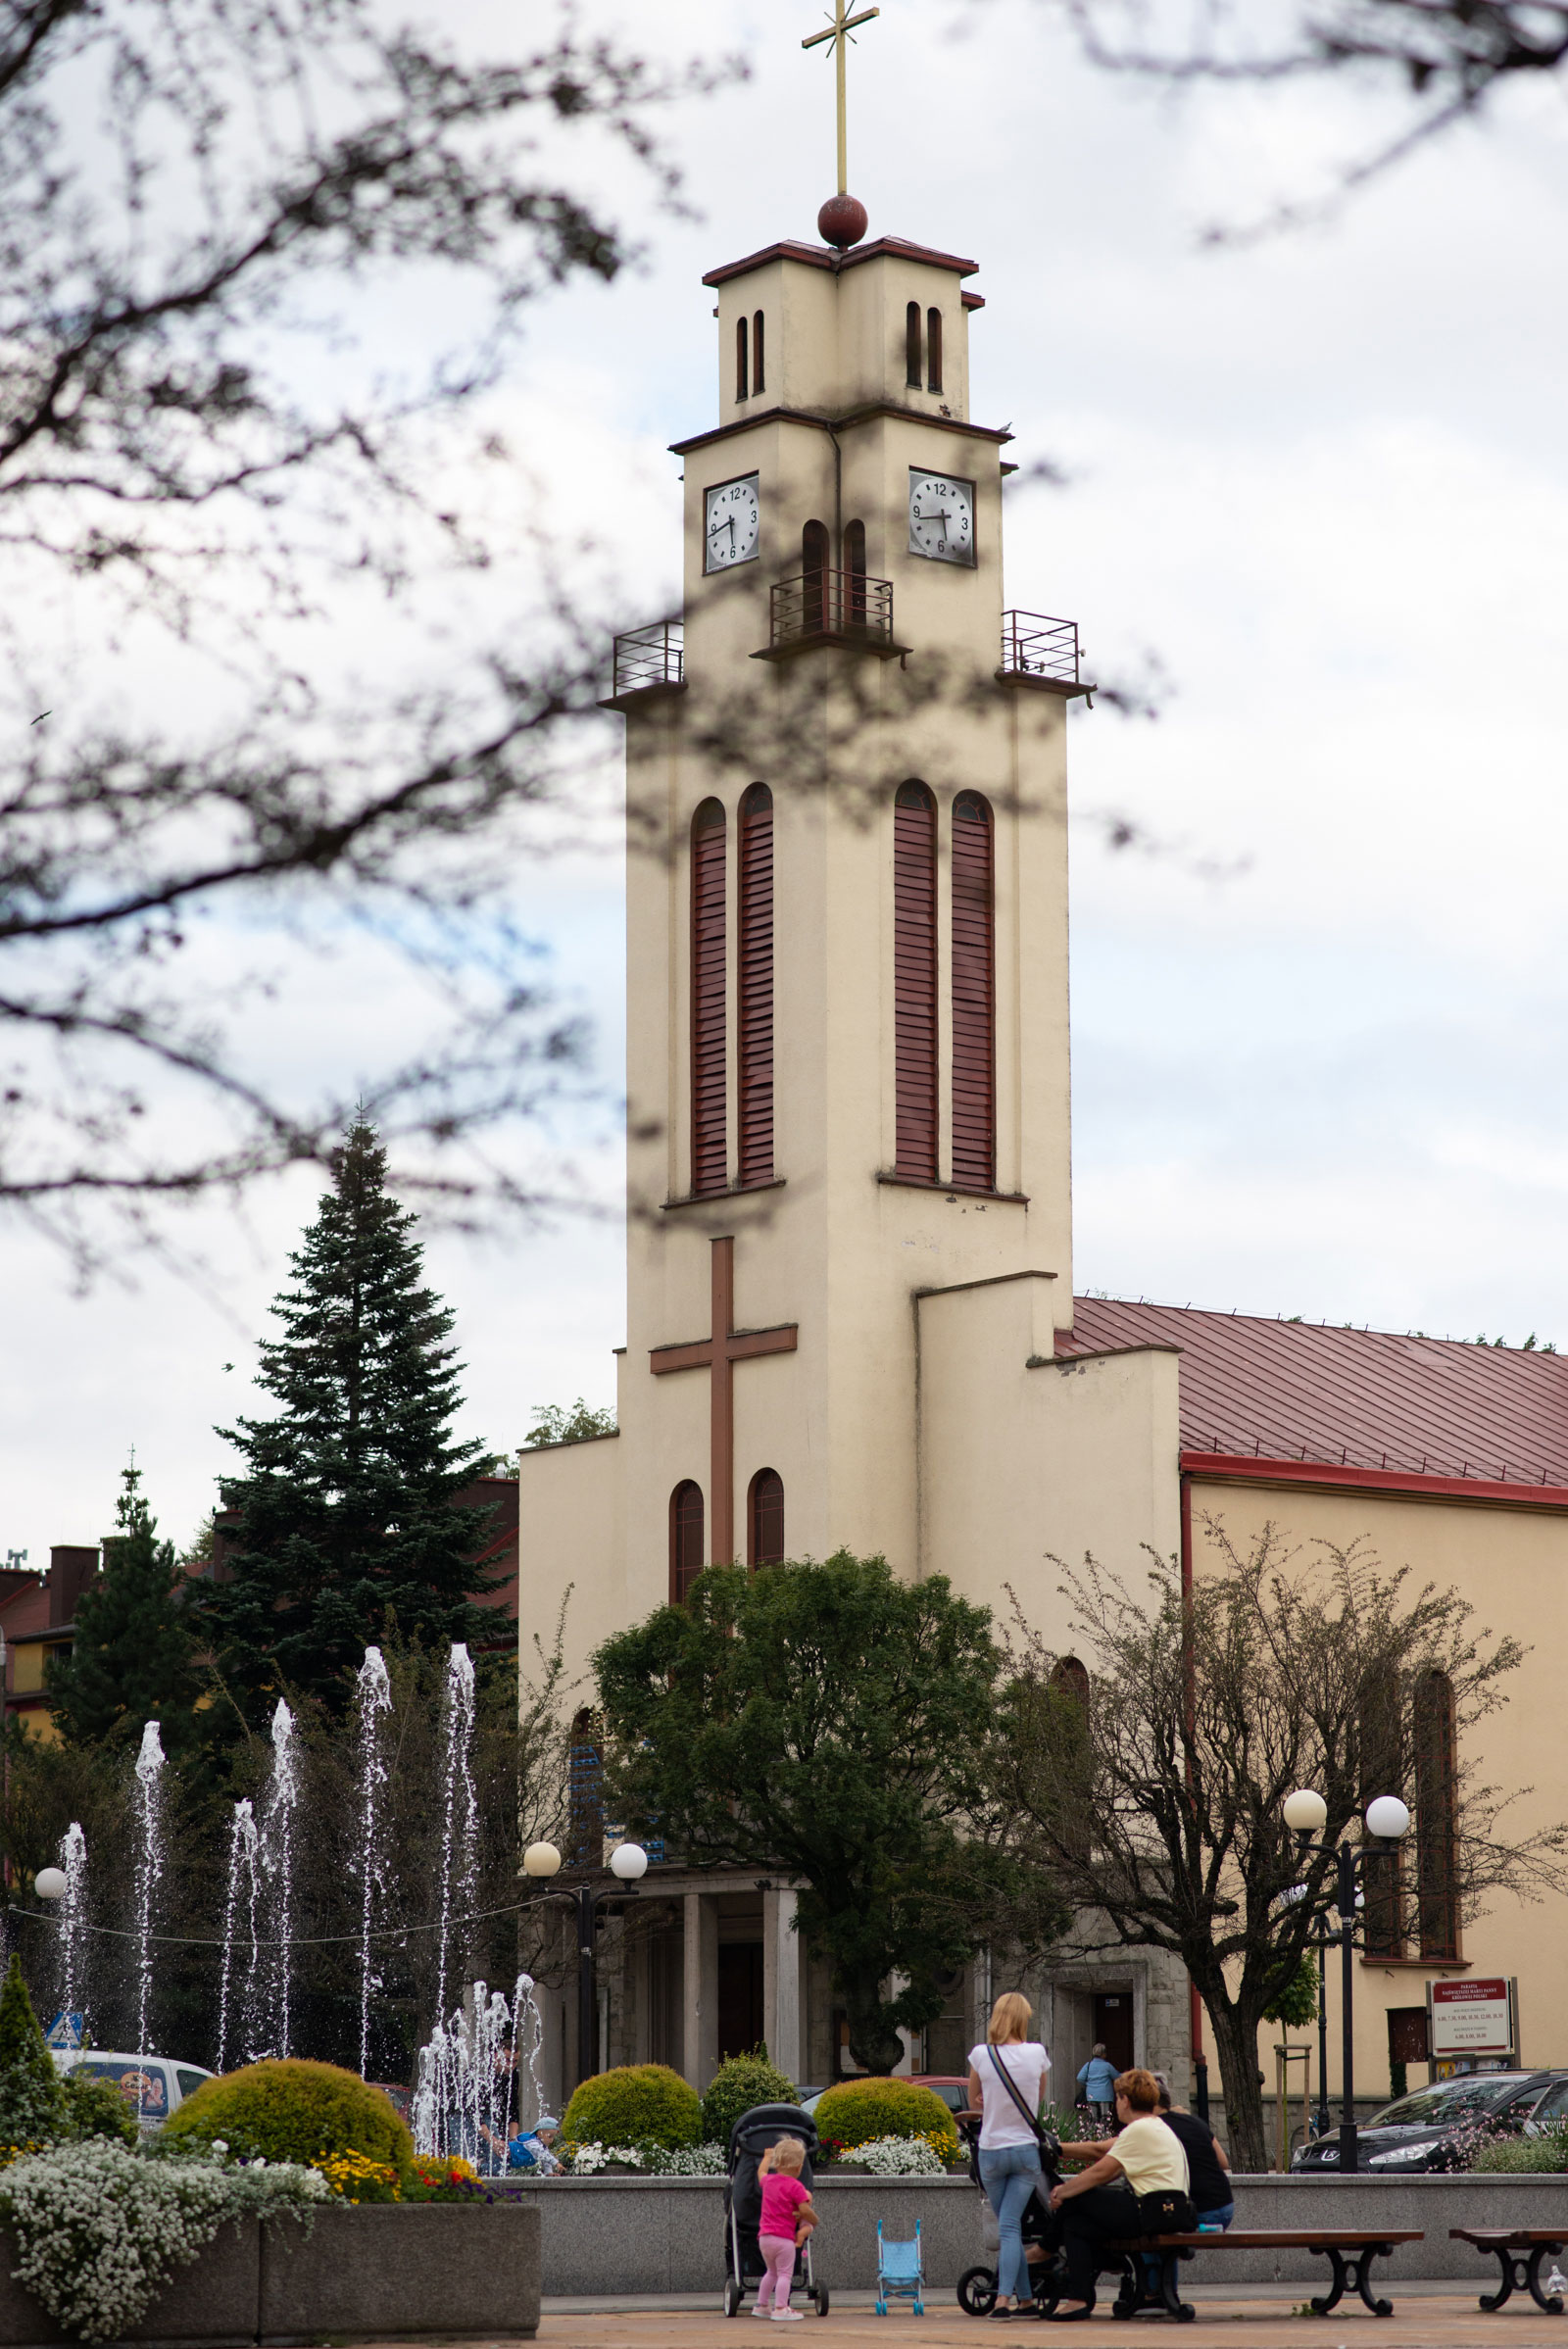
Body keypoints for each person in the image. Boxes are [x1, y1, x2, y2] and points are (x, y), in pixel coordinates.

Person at [1047, 2068, 1189, 2321]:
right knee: (1075, 2225)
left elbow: (1101, 2171)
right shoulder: (1154, 2126)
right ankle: (1078, 2298)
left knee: (1078, 2198)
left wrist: (1063, 2192)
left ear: (1125, 2099)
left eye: (1117, 2098)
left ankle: (1043, 2250)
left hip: (1149, 2211)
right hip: (1168, 2211)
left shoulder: (1139, 2129)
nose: (1115, 2105)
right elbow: (1110, 2168)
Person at [966, 1990, 1053, 2323]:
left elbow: (975, 2099)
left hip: (991, 2150)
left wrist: (992, 2104)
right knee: (1010, 2227)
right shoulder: (1037, 2053)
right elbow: (1038, 2099)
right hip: (1026, 2151)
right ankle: (1026, 2300)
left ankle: (1003, 2300)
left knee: (1008, 2228)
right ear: (1022, 2019)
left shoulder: (981, 2054)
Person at [1154, 2078, 1232, 2229]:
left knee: (1148, 2235)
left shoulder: (1154, 2126)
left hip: (1201, 2209)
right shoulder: (1195, 2122)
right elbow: (1223, 2162)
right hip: (1226, 2204)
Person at [755, 2133, 814, 2321]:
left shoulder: (769, 2181)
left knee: (770, 2272)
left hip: (764, 2238)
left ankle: (762, 2305)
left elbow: (761, 2174)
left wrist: (766, 2158)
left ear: (777, 2163)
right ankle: (781, 2308)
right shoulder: (796, 2186)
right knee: (784, 2274)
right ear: (799, 2167)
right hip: (784, 2239)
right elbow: (803, 2207)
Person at [1075, 2044, 1117, 2124]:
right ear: (1103, 2054)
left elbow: (1080, 2078)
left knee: (1093, 2119)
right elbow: (1116, 2076)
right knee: (1105, 2118)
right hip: (1105, 2096)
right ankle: (1104, 2135)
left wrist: (1088, 2084)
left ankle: (1092, 2135)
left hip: (1091, 2095)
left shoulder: (1088, 2065)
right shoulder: (1107, 2066)